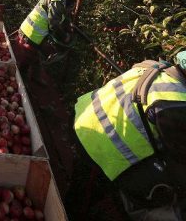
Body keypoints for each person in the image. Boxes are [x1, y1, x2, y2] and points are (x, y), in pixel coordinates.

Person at [73, 51, 186, 220]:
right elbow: (180, 158)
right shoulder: (174, 103)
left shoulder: (154, 67)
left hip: (83, 121)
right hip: (96, 144)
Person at [16, 0, 86, 84]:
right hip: (31, 33)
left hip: (34, 32)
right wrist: (64, 37)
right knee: (28, 58)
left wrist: (68, 25)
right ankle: (20, 81)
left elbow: (63, 16)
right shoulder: (57, 2)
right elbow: (54, 24)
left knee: (36, 56)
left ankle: (35, 78)